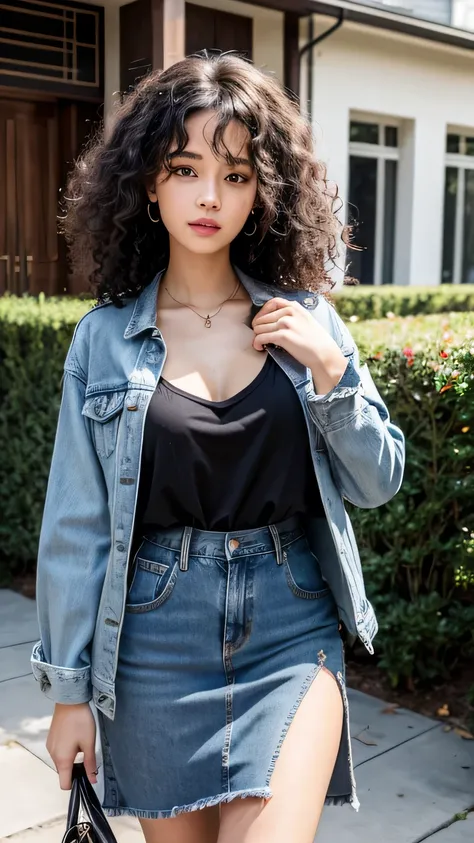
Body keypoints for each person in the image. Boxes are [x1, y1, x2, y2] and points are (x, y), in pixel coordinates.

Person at [31, 51, 405, 843]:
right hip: (154, 641)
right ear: (146, 181)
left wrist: (333, 374)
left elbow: (377, 482)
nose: (210, 196)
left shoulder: (310, 324)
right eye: (186, 168)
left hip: (291, 627)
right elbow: (76, 527)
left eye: (236, 175)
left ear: (264, 192)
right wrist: (69, 696)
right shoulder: (102, 342)